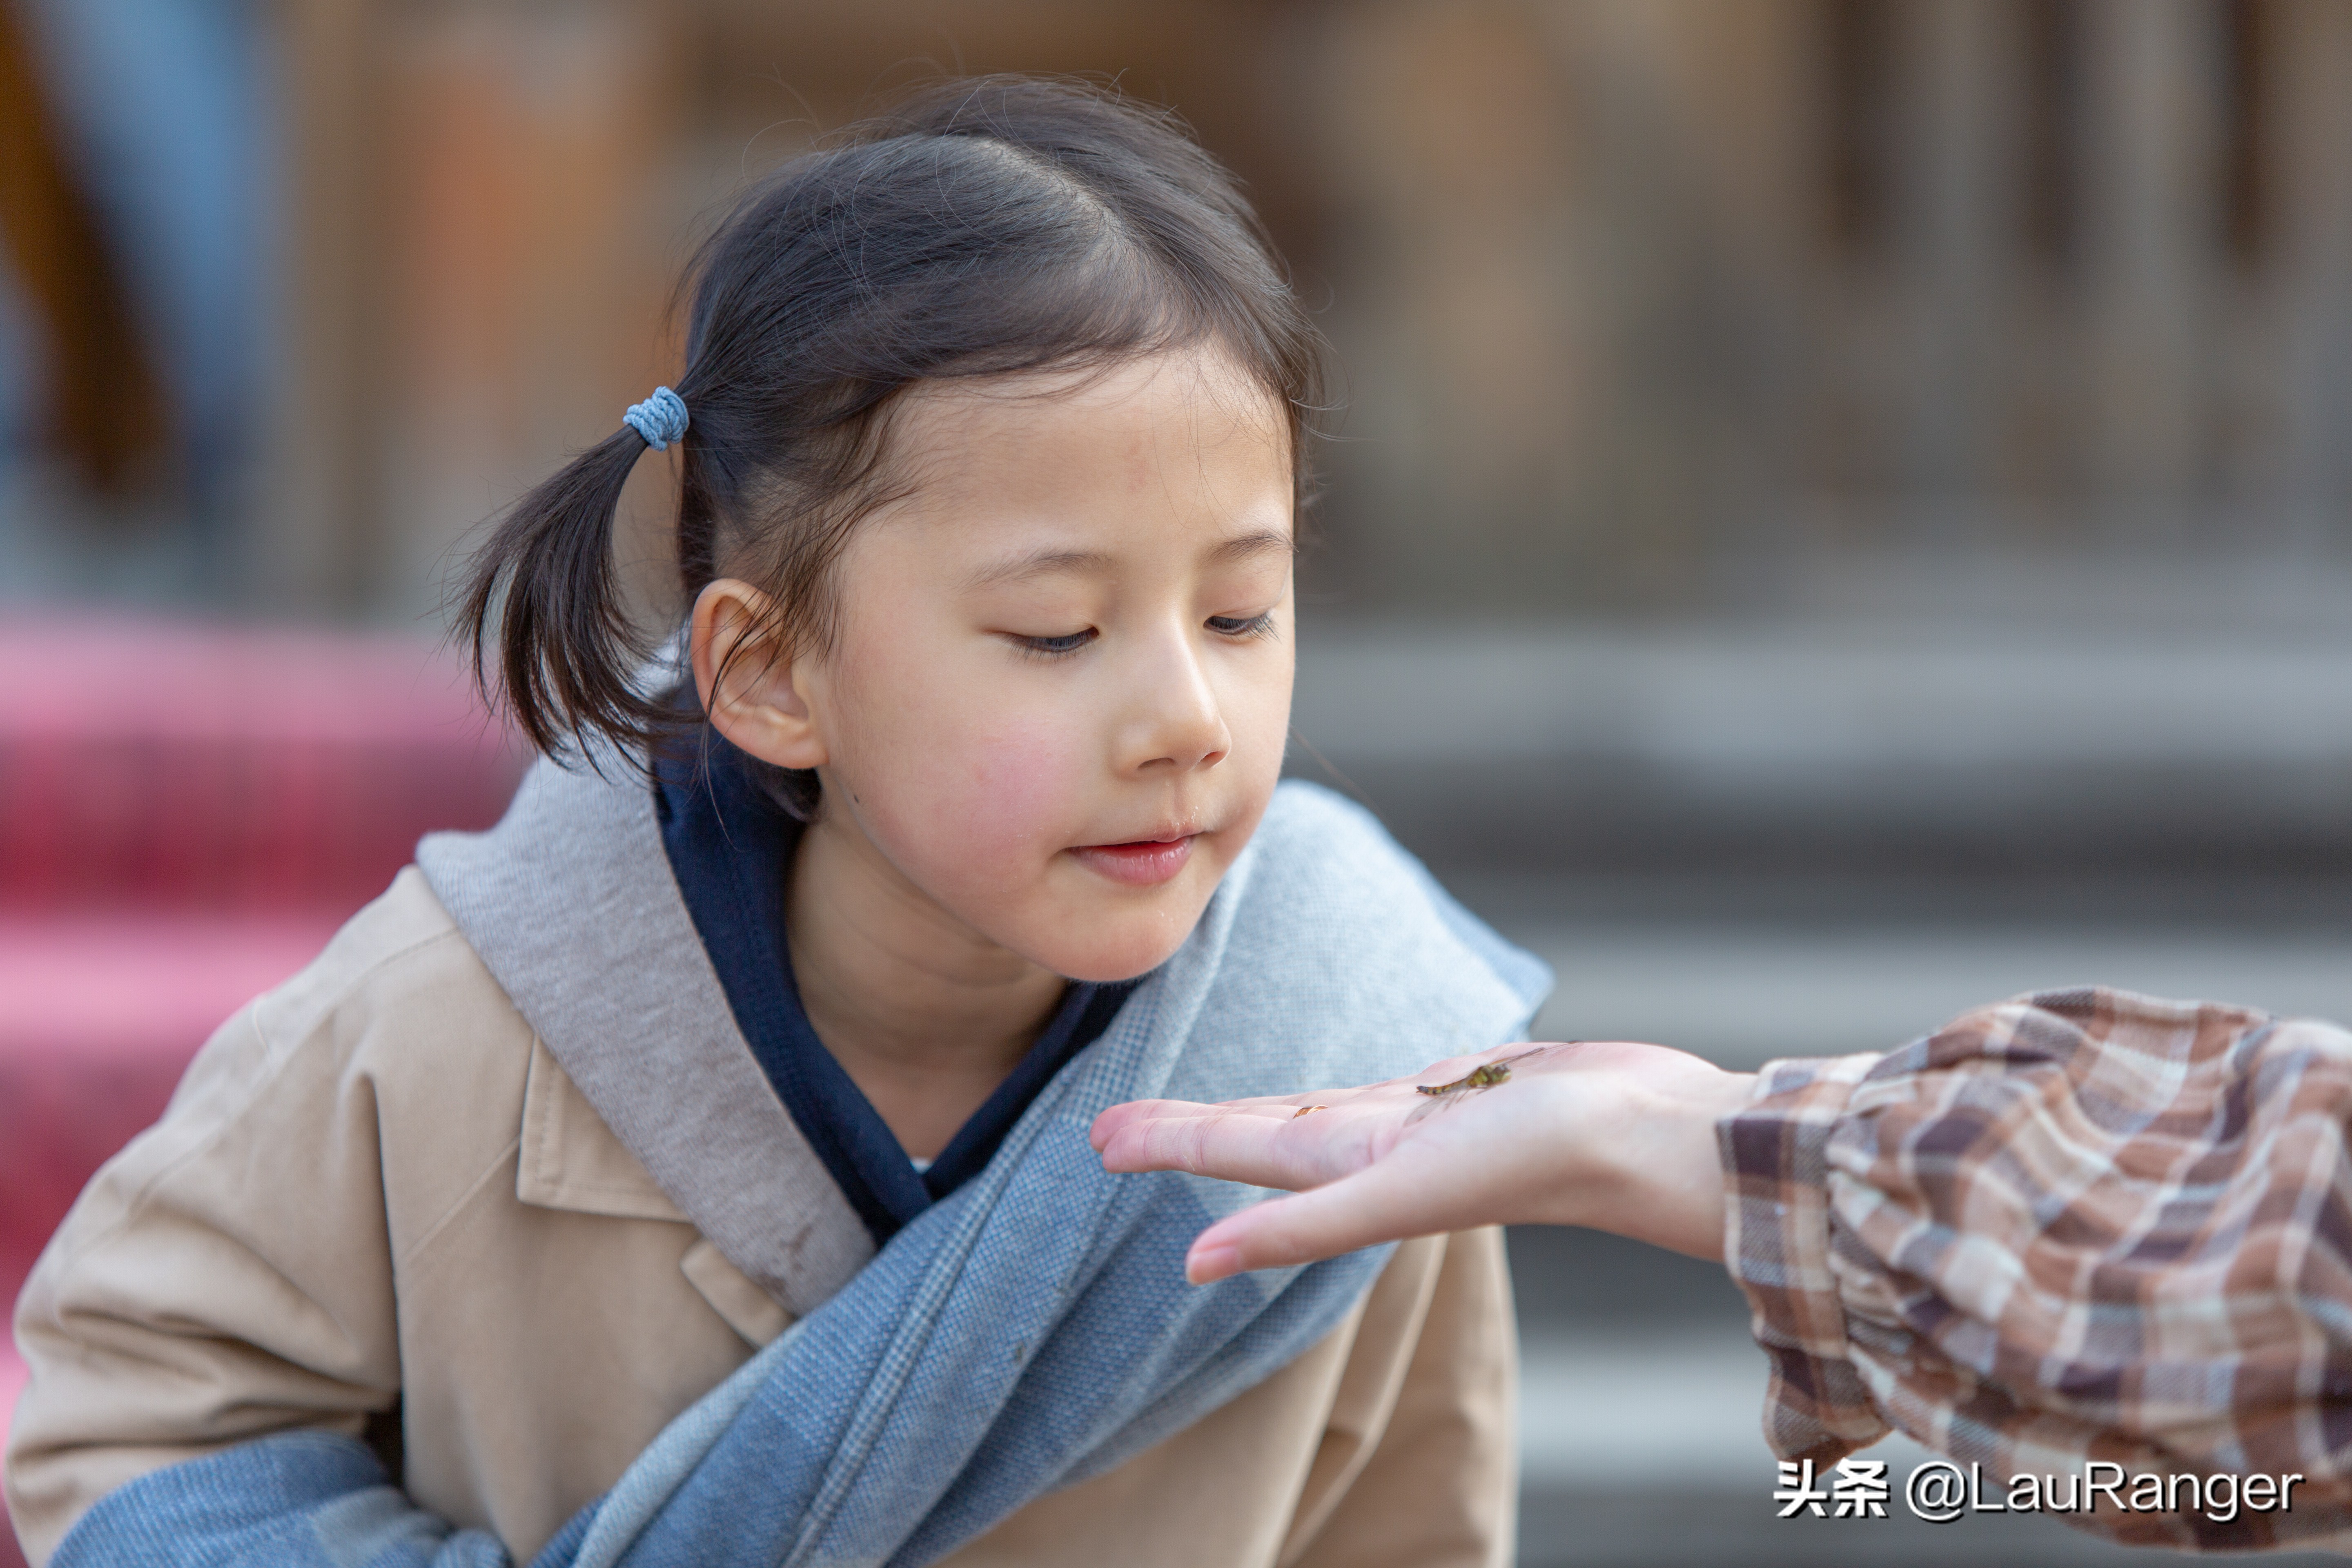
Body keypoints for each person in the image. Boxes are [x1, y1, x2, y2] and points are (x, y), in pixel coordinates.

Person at [4, 79, 1550, 1568]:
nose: (1188, 721)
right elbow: (133, 1409)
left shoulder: (1360, 1057)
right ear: (768, 673)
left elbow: (1411, 1525)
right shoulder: (463, 1031)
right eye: (1058, 633)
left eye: (1241, 612)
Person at [1092, 984, 2352, 1552]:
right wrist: (1701, 1134)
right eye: (1057, 631)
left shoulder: (1380, 987)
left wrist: (1700, 1138)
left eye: (1242, 616)